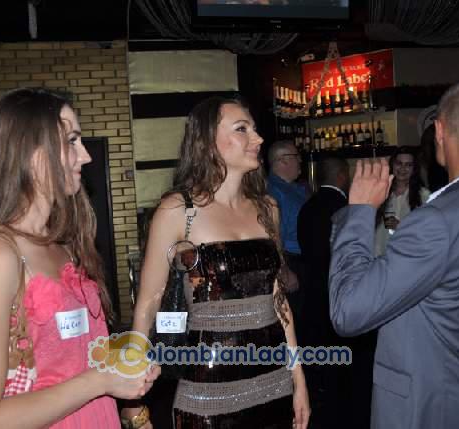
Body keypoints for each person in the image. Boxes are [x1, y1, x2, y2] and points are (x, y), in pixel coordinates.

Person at [329, 77, 459, 428]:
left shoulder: (437, 221)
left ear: (440, 131)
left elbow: (347, 310)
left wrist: (360, 213)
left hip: (427, 413)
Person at [0, 88, 159, 428]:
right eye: (72, 141)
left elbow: (71, 359)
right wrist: (100, 381)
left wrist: (125, 383)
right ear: (29, 152)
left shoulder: (64, 245)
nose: (85, 156)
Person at [123, 96, 310, 428]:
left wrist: (298, 378)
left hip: (273, 379)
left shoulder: (267, 208)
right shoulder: (179, 210)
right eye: (242, 129)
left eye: (254, 128)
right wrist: (132, 396)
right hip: (208, 387)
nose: (258, 138)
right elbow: (148, 305)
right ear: (208, 141)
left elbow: (278, 299)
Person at [297, 157, 375, 429]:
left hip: (313, 295)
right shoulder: (346, 210)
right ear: (342, 176)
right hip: (341, 294)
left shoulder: (307, 208)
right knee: (349, 373)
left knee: (323, 367)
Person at [267, 140, 310, 320]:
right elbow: (272, 235)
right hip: (291, 263)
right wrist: (284, 270)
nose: (300, 160)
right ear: (283, 160)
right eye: (296, 156)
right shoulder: (273, 192)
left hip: (303, 263)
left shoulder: (295, 188)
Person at [374, 146, 430, 256]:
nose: (402, 168)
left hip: (409, 255)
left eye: (408, 165)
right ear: (392, 165)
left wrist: (402, 226)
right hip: (379, 255)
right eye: (399, 163)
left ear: (414, 169)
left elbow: (428, 230)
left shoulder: (424, 196)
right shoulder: (380, 192)